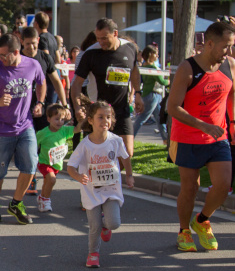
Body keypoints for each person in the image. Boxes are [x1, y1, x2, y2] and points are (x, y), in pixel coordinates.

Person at [166, 21, 235, 252]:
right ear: (210, 44)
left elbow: (232, 96)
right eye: (226, 46)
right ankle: (184, 230)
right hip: (187, 136)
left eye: (232, 46)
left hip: (218, 137)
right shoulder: (188, 68)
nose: (229, 52)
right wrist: (202, 125)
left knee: (224, 184)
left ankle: (202, 219)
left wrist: (232, 126)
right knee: (190, 188)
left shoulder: (230, 66)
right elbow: (173, 107)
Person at [0, 33, 46, 224]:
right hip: (0, 129)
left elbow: (41, 82)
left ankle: (16, 203)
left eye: (3, 55)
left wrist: (40, 102)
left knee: (31, 165)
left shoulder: (32, 65)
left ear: (16, 52)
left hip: (25, 125)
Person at [67, 101, 134, 268]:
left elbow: (125, 157)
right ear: (90, 120)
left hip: (111, 189)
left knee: (114, 223)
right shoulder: (85, 145)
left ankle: (107, 227)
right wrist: (77, 176)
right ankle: (93, 253)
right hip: (91, 191)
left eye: (108, 117)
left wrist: (130, 176)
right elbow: (70, 166)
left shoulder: (116, 140)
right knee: (94, 226)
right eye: (101, 117)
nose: (105, 121)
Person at [71, 19, 143, 159]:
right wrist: (77, 107)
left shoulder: (129, 48)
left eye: (104, 38)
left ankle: (111, 177)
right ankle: (102, 179)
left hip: (122, 110)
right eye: (98, 38)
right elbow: (76, 84)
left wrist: (138, 94)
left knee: (127, 154)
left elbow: (134, 71)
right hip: (100, 111)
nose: (101, 42)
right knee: (101, 156)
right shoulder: (91, 54)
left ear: (115, 33)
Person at [35, 104, 85, 212]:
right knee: (51, 180)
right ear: (48, 119)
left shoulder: (64, 130)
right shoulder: (43, 133)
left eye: (62, 119)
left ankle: (42, 197)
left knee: (47, 182)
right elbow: (34, 145)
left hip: (57, 163)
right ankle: (46, 200)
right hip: (44, 162)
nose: (59, 122)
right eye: (56, 119)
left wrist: (81, 121)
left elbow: (76, 129)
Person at [133, 45, 169, 143]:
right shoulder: (153, 67)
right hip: (153, 95)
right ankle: (129, 138)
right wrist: (170, 80)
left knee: (159, 118)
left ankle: (165, 139)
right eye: (155, 53)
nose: (157, 55)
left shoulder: (144, 66)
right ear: (150, 54)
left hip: (150, 95)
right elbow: (162, 82)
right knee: (141, 119)